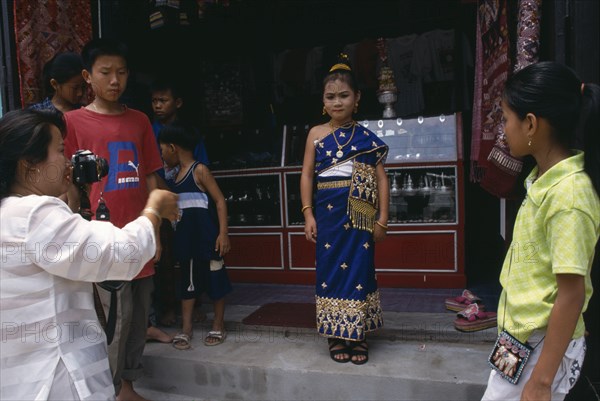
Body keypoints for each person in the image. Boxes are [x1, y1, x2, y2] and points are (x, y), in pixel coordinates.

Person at [0, 109, 179, 401]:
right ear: (29, 166)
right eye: (60, 150)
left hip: (22, 379)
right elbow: (120, 253)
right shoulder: (35, 214)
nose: (68, 160)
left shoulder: (9, 213)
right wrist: (153, 210)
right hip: (59, 378)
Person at [481, 61, 600, 401]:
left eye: (505, 119)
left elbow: (572, 292)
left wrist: (542, 381)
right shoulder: (542, 181)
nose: (503, 129)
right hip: (517, 341)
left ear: (530, 124)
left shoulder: (569, 196)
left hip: (539, 348)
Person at [63, 38, 165, 401]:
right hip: (102, 238)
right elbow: (70, 182)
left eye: (121, 72)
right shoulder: (72, 122)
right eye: (105, 72)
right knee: (113, 321)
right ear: (88, 77)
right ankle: (108, 388)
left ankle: (127, 384)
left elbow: (152, 176)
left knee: (139, 318)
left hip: (140, 234)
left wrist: (157, 232)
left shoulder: (139, 120)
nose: (114, 80)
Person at [300, 54, 389, 365]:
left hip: (360, 217)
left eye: (344, 95)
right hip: (327, 216)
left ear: (357, 98)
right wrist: (308, 212)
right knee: (329, 271)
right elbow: (307, 174)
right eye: (330, 97)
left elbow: (381, 179)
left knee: (360, 272)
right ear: (323, 101)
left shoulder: (366, 139)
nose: (337, 102)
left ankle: (358, 335)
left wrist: (383, 219)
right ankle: (337, 334)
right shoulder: (315, 134)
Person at [158, 121, 232, 350]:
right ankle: (186, 328)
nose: (161, 155)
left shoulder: (199, 170)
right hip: (186, 241)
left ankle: (218, 324)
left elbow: (219, 200)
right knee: (187, 285)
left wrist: (223, 233)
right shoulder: (172, 177)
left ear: (173, 148)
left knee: (215, 281)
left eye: (162, 150)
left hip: (209, 240)